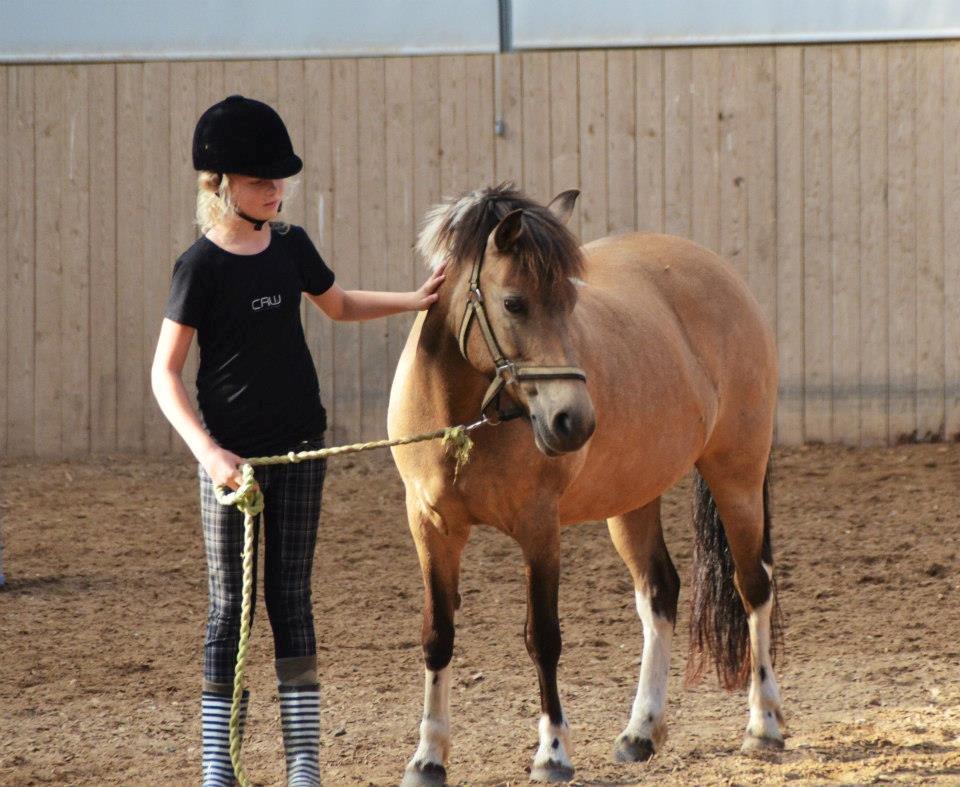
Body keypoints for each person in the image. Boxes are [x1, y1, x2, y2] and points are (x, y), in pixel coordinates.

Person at [151, 94, 445, 787]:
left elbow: (338, 305)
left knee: (291, 599)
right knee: (231, 607)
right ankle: (218, 762)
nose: (275, 189)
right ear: (219, 184)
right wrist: (210, 454)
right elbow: (164, 375)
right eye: (260, 180)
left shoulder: (291, 247)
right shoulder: (200, 267)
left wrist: (413, 300)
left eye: (279, 179)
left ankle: (304, 761)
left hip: (301, 450)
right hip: (233, 463)